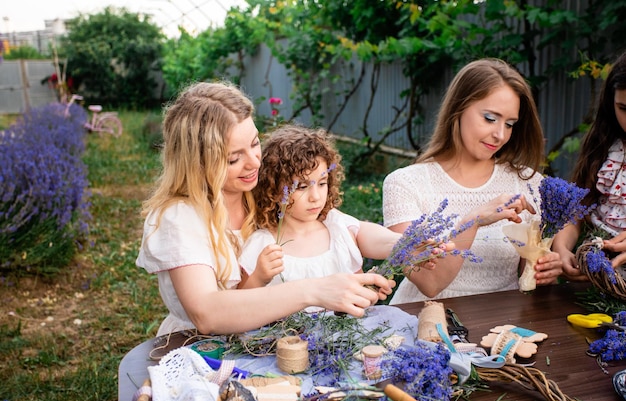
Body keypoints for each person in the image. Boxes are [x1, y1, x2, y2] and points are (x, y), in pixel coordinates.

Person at [135, 82, 394, 337]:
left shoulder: (264, 193)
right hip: (201, 350)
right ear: (196, 163)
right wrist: (315, 291)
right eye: (233, 158)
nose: (254, 162)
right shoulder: (181, 217)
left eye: (255, 142)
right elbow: (206, 314)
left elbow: (343, 227)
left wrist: (401, 245)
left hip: (271, 341)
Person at [382, 58, 563, 303]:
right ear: (459, 108)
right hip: (423, 325)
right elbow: (429, 283)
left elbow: (527, 280)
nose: (500, 134)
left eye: (509, 124)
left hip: (503, 331)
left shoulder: (528, 183)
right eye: (490, 118)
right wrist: (473, 221)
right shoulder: (405, 184)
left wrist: (544, 272)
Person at [238, 125, 445, 290]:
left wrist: (406, 245)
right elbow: (242, 304)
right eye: (302, 187)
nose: (316, 197)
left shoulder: (335, 226)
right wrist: (258, 277)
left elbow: (372, 236)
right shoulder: (264, 243)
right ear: (273, 189)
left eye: (322, 183)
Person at [552, 51, 626, 279]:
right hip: (594, 284)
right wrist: (562, 249)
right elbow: (578, 211)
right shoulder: (605, 145)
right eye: (623, 109)